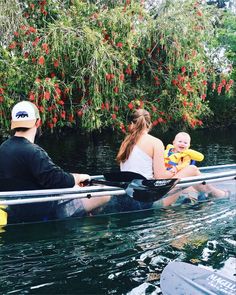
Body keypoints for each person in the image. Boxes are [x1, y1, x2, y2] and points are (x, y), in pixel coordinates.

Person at [0, 100, 110, 224]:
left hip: (15, 210)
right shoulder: (34, 152)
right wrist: (78, 177)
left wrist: (73, 180)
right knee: (104, 193)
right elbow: (56, 180)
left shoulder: (3, 148)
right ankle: (85, 229)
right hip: (44, 212)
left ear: (13, 124)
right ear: (38, 122)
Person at [116, 109, 229, 207]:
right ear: (149, 124)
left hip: (130, 195)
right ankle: (216, 194)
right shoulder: (155, 142)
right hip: (150, 201)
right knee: (192, 170)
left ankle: (206, 192)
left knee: (187, 182)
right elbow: (161, 177)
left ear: (131, 124)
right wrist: (175, 170)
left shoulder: (125, 142)